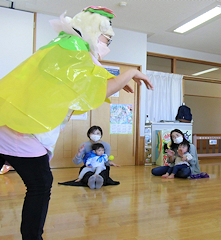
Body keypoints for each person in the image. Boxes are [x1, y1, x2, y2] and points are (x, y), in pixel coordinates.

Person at [0, 6, 153, 239]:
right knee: (41, 185)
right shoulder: (74, 52)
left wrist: (116, 80)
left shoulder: (67, 47)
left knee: (40, 184)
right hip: (21, 133)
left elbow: (88, 84)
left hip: (9, 124)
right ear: (92, 31)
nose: (107, 43)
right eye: (107, 37)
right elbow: (96, 85)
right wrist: (129, 73)